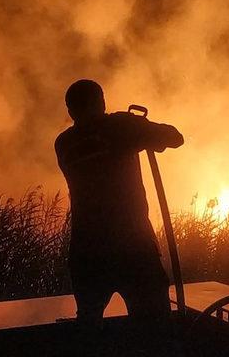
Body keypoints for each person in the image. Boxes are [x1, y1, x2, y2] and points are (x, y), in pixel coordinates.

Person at [54, 79, 184, 351]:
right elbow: (175, 137)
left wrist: (134, 128)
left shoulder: (64, 143)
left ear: (71, 111)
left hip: (85, 252)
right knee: (154, 328)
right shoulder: (121, 127)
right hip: (133, 249)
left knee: (89, 328)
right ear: (101, 101)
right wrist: (140, 128)